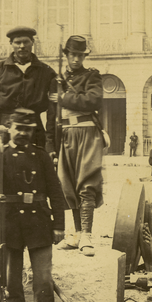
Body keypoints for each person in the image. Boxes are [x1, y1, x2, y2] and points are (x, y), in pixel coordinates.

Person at [0, 108, 68, 302]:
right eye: (19, 129)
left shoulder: (41, 156)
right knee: (11, 280)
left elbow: (56, 192)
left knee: (43, 278)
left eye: (28, 129)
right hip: (9, 222)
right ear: (10, 129)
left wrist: (59, 225)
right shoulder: (0, 154)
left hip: (39, 222)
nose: (23, 133)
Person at [46, 35, 104, 257]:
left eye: (80, 55)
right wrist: (50, 145)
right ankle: (78, 234)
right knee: (68, 185)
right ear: (66, 55)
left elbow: (93, 101)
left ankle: (88, 235)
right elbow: (51, 117)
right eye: (73, 55)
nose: (76, 59)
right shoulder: (56, 81)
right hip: (66, 135)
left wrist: (63, 98)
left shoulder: (92, 77)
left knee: (86, 183)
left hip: (87, 133)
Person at [0, 26, 57, 148]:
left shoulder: (46, 71)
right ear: (11, 44)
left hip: (34, 129)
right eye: (17, 42)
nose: (22, 46)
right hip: (5, 129)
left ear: (33, 43)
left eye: (26, 42)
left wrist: (50, 142)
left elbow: (53, 110)